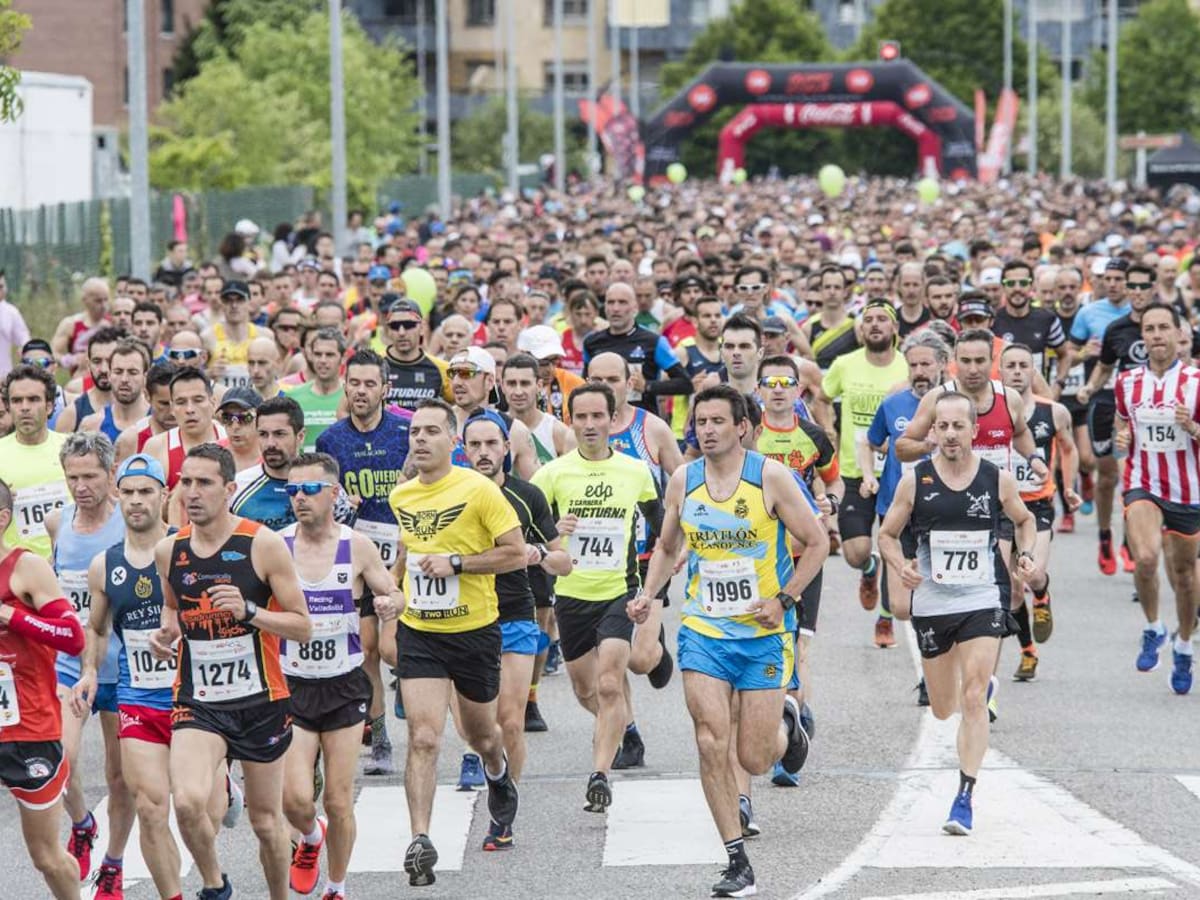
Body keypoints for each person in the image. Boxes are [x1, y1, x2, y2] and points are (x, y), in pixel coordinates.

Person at [629, 385, 828, 899]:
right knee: (709, 739)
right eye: (701, 421)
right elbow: (668, 544)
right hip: (705, 631)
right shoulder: (683, 480)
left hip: (763, 633)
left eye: (719, 420)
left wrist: (784, 600)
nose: (708, 429)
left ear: (742, 426)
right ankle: (736, 860)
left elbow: (817, 542)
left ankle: (787, 724)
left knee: (757, 758)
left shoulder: (770, 477)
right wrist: (649, 595)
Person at [149, 443, 312, 900]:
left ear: (229, 489)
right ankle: (215, 885)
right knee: (186, 802)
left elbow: (302, 626)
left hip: (261, 700)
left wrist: (250, 611)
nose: (193, 493)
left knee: (265, 821)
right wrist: (166, 635)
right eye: (186, 482)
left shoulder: (262, 544)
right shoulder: (169, 551)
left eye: (204, 483)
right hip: (199, 702)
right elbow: (171, 607)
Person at [377, 399, 523, 885]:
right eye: (415, 431)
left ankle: (497, 770)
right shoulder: (402, 496)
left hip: (475, 632)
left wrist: (457, 564)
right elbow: (405, 554)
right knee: (422, 736)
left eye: (431, 431)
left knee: (480, 734)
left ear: (452, 441)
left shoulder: (479, 491)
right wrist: (394, 593)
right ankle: (420, 838)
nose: (419, 439)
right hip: (422, 632)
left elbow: (515, 553)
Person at [881, 391, 1039, 836]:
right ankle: (972, 682)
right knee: (942, 706)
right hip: (932, 602)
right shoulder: (916, 481)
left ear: (974, 430)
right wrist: (901, 565)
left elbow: (1024, 520)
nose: (950, 434)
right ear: (932, 432)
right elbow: (888, 535)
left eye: (958, 426)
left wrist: (1024, 555)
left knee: (972, 698)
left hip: (982, 598)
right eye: (942, 427)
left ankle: (964, 796)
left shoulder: (997, 479)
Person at [75, 453, 232, 900]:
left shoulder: (189, 551)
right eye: (128, 492)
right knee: (149, 807)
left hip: (198, 702)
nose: (137, 501)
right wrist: (89, 671)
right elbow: (99, 628)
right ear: (115, 495)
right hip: (139, 697)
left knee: (201, 811)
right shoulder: (104, 566)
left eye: (146, 491)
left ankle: (212, 872)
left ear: (165, 495)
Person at [530, 383, 666, 812]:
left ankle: (599, 775)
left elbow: (659, 520)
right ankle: (626, 729)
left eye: (597, 416)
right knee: (586, 689)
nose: (590, 425)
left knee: (610, 682)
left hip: (617, 592)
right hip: (569, 596)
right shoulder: (554, 473)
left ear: (612, 420)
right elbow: (524, 519)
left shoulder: (634, 471)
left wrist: (665, 561)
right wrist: (555, 528)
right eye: (581, 417)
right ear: (571, 420)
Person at [280, 452, 399, 900]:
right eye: (292, 490)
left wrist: (391, 606)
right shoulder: (279, 545)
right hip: (294, 684)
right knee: (294, 798)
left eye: (309, 489)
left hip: (345, 685)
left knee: (337, 796)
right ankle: (310, 838)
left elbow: (394, 591)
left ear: (334, 494)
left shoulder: (357, 545)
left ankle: (337, 886)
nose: (299, 498)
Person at [461, 412, 570, 806]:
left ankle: (506, 806)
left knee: (510, 720)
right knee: (477, 729)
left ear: (508, 448)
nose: (484, 452)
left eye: (492, 444)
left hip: (515, 614)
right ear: (463, 449)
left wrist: (536, 553)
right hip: (463, 619)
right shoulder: (450, 494)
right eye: (475, 445)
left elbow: (563, 561)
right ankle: (493, 767)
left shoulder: (528, 495)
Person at [316, 349, 410, 774]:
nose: (360, 391)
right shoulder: (331, 441)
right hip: (356, 557)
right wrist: (342, 509)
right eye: (354, 383)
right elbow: (322, 501)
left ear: (385, 389)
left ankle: (413, 681)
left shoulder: (406, 432)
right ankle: (383, 735)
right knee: (368, 650)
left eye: (370, 383)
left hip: (403, 554)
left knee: (392, 649)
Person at [587, 351, 681, 767]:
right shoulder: (581, 433)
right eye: (596, 378)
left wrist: (684, 541)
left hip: (648, 556)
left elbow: (682, 483)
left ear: (631, 382)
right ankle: (629, 734)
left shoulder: (652, 428)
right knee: (612, 657)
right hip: (600, 562)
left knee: (641, 658)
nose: (606, 386)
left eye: (614, 378)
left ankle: (660, 655)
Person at [45, 432, 130, 887]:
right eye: (73, 477)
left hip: (122, 668)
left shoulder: (128, 522)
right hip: (69, 663)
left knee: (120, 778)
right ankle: (82, 825)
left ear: (110, 473)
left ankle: (113, 866)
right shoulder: (59, 523)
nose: (81, 486)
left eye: (91, 476)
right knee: (61, 759)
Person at [0, 475, 87, 900]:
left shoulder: (25, 568)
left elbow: (72, 637)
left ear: (1, 519)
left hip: (27, 727)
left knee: (46, 856)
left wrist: (12, 617)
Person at [1113, 303, 1200, 693]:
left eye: (1164, 327)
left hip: (1189, 490)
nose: (1157, 335)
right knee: (1146, 557)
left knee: (1184, 576)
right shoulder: (1127, 382)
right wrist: (1121, 439)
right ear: (1142, 336)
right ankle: (1153, 628)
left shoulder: (1196, 381)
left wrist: (1192, 427)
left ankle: (1183, 644)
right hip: (1142, 482)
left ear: (1179, 334)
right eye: (1150, 328)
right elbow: (1122, 424)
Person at [820, 300, 909, 620]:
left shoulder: (907, 366)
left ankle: (885, 617)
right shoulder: (845, 364)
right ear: (860, 330)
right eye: (867, 319)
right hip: (853, 469)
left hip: (896, 472)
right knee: (855, 552)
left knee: (891, 544)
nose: (874, 324)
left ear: (895, 328)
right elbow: (822, 396)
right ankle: (868, 569)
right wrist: (828, 428)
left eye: (882, 320)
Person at [999, 344, 1080, 681]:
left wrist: (1070, 487)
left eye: (1024, 365)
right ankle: (1028, 652)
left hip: (1036, 505)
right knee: (1012, 588)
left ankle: (1042, 594)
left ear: (1034, 371)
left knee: (1032, 574)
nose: (1017, 372)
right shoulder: (991, 411)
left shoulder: (1054, 412)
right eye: (1010, 366)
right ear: (1000, 372)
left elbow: (1069, 449)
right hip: (1003, 506)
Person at [1059, 258, 1132, 575]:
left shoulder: (1145, 316)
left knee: (1131, 477)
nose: (1112, 283)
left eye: (1118, 278)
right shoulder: (1088, 313)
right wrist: (1083, 355)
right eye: (1107, 278)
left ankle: (1130, 544)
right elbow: (1069, 356)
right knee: (1105, 475)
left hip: (1137, 401)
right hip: (1103, 399)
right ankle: (1105, 536)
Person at [582, 282, 693, 414]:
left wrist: (647, 386)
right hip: (605, 421)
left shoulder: (653, 341)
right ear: (604, 307)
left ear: (634, 307)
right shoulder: (591, 342)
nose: (616, 308)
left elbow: (685, 384)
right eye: (611, 302)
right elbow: (584, 384)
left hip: (643, 422)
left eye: (622, 302)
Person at [0, 364, 70, 559]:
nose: (24, 407)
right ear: (8, 407)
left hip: (65, 566)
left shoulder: (72, 448)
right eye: (16, 401)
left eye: (33, 399)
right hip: (12, 570)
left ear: (49, 406)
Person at [447, 347, 539, 479]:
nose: (456, 382)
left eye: (466, 373)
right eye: (452, 374)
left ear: (489, 381)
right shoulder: (438, 422)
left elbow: (536, 489)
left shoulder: (514, 429)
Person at [143, 368, 227, 497]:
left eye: (198, 400)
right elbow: (147, 505)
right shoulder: (156, 447)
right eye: (181, 402)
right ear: (172, 408)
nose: (189, 409)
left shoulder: (229, 440)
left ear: (213, 402)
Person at [229, 395, 304, 532]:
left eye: (279, 434)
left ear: (300, 436)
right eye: (263, 434)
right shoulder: (237, 487)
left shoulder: (322, 485)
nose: (270, 444)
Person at [381, 298, 453, 410]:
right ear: (388, 330)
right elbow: (346, 410)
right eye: (395, 326)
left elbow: (462, 408)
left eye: (409, 325)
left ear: (422, 327)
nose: (402, 332)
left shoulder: (442, 368)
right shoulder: (375, 365)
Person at [79, 338, 150, 443]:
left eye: (132, 372)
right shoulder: (92, 425)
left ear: (145, 377)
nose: (124, 379)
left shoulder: (158, 423)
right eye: (118, 372)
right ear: (109, 375)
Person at [288, 327, 347, 453]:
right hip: (302, 469)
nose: (322, 360)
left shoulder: (352, 396)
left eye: (329, 355)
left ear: (342, 358)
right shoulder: (293, 397)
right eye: (318, 354)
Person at [55, 326, 123, 433]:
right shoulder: (72, 414)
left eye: (110, 361)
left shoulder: (140, 407)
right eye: (97, 361)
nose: (104, 369)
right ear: (88, 365)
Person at [0, 269, 31, 378]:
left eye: (2, 286)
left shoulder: (11, 312)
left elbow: (24, 338)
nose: (1, 290)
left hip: (2, 377)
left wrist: (24, 348)